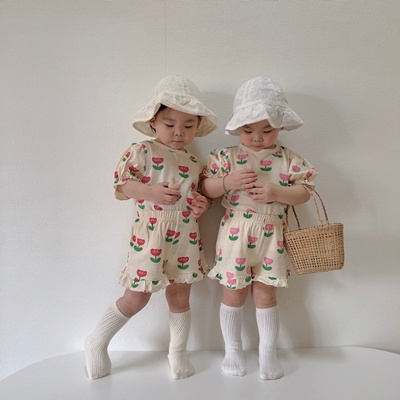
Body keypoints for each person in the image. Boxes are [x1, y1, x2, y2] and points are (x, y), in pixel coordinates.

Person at [85, 75, 217, 380]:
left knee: (180, 297)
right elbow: (122, 185)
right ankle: (97, 341)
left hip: (185, 236)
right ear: (154, 122)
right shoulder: (142, 151)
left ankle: (178, 353)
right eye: (170, 124)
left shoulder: (195, 163)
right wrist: (150, 192)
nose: (178, 132)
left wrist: (203, 205)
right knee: (136, 297)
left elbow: (201, 196)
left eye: (188, 125)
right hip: (151, 236)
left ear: (197, 126)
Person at [201, 76, 318, 380]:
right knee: (233, 293)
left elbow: (305, 192)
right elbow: (206, 188)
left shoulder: (288, 159)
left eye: (267, 130)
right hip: (235, 233)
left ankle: (268, 352)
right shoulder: (226, 157)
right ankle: (232, 350)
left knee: (266, 295)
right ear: (237, 127)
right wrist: (227, 182)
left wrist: (277, 192)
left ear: (279, 127)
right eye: (248, 130)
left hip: (271, 235)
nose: (256, 138)